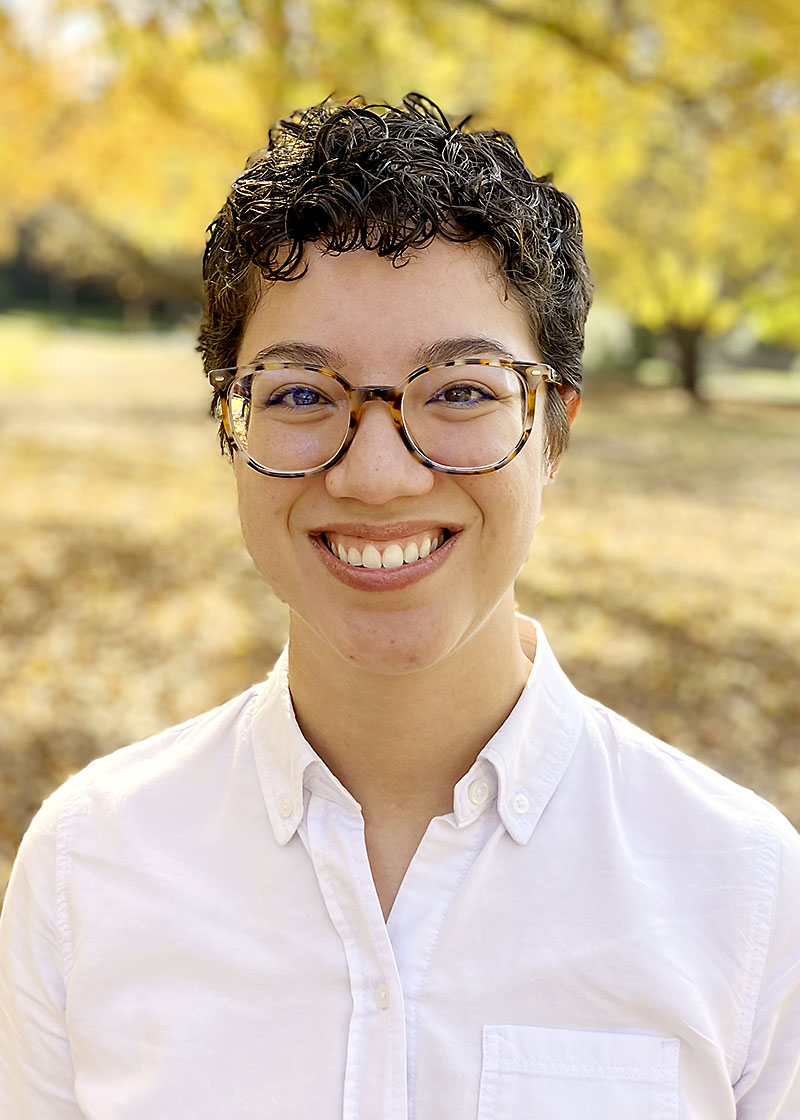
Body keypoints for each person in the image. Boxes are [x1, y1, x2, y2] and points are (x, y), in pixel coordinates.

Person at [1, 93, 798, 1119]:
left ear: (551, 431)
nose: (376, 474)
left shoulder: (743, 891)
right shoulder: (89, 870)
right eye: (299, 395)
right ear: (228, 430)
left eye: (458, 390)